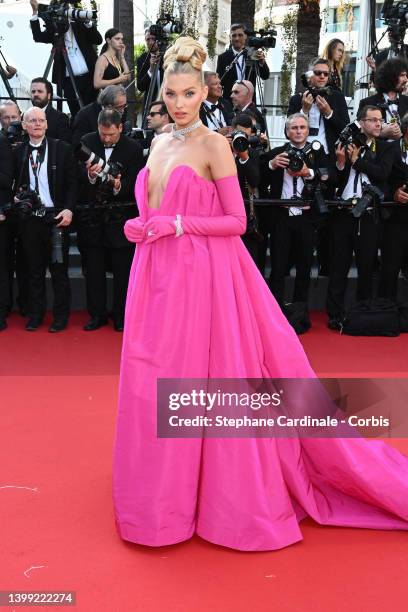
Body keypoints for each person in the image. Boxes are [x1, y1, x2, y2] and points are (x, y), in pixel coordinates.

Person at [113, 36, 408, 553]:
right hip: (152, 276)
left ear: (204, 93)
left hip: (200, 277)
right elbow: (152, 205)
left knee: (196, 380)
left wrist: (179, 223)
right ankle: (160, 500)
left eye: (188, 93)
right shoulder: (157, 142)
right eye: (171, 93)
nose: (179, 103)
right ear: (161, 93)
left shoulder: (214, 144)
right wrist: (142, 224)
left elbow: (237, 221)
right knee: (149, 378)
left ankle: (217, 498)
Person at [326, 105, 395, 330]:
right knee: (338, 266)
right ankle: (334, 314)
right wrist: (341, 162)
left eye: (380, 120)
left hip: (369, 215)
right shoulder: (347, 144)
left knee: (366, 267)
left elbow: (382, 173)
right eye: (373, 120)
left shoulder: (386, 148)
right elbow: (335, 179)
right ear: (361, 122)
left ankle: (363, 314)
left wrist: (357, 161)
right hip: (344, 213)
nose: (378, 124)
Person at [77, 109, 144, 332]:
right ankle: (96, 315)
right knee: (94, 271)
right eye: (103, 134)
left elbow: (137, 181)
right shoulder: (86, 141)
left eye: (111, 135)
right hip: (93, 218)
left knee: (122, 272)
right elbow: (75, 175)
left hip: (121, 217)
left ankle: (121, 316)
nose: (106, 138)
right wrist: (90, 175)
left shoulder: (133, 148)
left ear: (120, 128)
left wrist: (118, 186)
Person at [13, 107, 76, 332]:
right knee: (34, 269)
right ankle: (35, 315)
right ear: (24, 125)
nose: (37, 124)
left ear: (47, 124)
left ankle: (61, 317)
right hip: (30, 219)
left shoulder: (62, 149)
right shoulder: (18, 152)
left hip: (57, 216)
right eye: (32, 120)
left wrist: (69, 210)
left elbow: (72, 184)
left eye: (41, 120)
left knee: (59, 270)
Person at [29, 0, 102, 117]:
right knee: (76, 113)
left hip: (90, 77)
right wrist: (35, 12)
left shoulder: (79, 25)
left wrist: (87, 22)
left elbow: (98, 40)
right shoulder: (54, 31)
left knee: (93, 112)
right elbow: (38, 37)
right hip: (69, 81)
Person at [288, 58, 349, 162]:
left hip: (328, 155)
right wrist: (304, 112)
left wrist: (329, 113)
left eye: (326, 74)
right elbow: (287, 133)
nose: (322, 76)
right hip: (301, 155)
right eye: (318, 73)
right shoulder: (297, 99)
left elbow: (346, 130)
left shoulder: (337, 97)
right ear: (309, 76)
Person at [379, 111, 408, 300]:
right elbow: (380, 181)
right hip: (396, 220)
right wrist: (394, 194)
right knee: (390, 270)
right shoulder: (390, 149)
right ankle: (386, 310)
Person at [216, 23, 270, 103]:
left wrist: (262, 63)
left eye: (240, 35)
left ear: (245, 36)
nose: (237, 38)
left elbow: (265, 76)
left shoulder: (253, 54)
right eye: (234, 36)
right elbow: (220, 81)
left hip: (249, 102)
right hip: (229, 102)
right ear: (230, 38)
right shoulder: (223, 58)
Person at [359, 58, 408, 142]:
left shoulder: (406, 101)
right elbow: (359, 134)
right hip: (378, 154)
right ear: (391, 77)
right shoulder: (367, 102)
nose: (406, 79)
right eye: (402, 75)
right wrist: (381, 133)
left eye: (406, 76)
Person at [30, 77, 72, 143]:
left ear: (49, 95)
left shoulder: (60, 118)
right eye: (33, 91)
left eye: (40, 91)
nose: (35, 94)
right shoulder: (24, 116)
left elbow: (65, 146)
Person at [136, 29, 164, 111]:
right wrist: (151, 70)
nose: (151, 42)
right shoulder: (142, 59)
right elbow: (140, 86)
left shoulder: (167, 56)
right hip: (150, 105)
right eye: (148, 39)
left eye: (153, 39)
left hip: (167, 103)